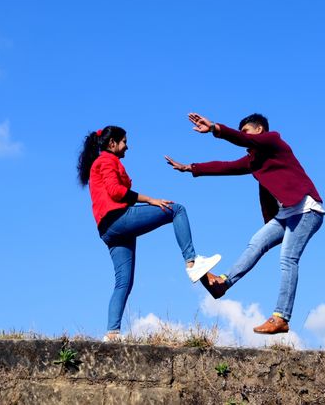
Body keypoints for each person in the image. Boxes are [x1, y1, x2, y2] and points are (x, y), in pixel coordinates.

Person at [165, 112, 325, 335]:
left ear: (259, 130)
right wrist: (191, 167)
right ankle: (222, 284)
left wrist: (214, 128)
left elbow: (244, 140)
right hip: (287, 213)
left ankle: (281, 317)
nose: (244, 138)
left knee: (288, 259)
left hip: (306, 209)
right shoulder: (254, 160)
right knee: (256, 242)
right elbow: (226, 167)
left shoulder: (273, 140)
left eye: (246, 132)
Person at [78, 125, 221, 341]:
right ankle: (192, 262)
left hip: (108, 230)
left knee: (123, 282)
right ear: (112, 144)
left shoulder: (100, 162)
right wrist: (151, 200)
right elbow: (116, 192)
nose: (128, 146)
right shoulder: (107, 160)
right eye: (124, 141)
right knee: (176, 210)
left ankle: (112, 334)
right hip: (117, 219)